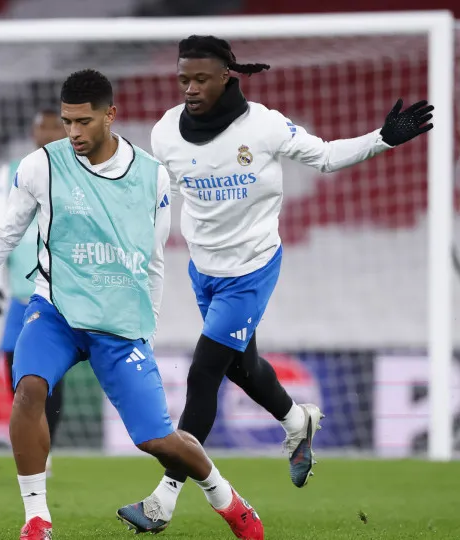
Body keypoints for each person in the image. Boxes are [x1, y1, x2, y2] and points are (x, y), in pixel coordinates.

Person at [0, 69, 263, 540]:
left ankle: (228, 499)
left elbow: (154, 259)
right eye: (67, 121)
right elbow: (5, 236)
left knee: (156, 439)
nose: (73, 132)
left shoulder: (152, 176)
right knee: (28, 389)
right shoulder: (40, 167)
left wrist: (148, 326)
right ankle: (36, 518)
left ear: (110, 115)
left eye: (83, 122)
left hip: (118, 323)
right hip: (54, 310)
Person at [132, 34, 434, 531]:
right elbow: (159, 196)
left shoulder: (264, 126)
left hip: (251, 269)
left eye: (201, 78)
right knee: (240, 366)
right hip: (203, 269)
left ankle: (164, 498)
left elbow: (326, 156)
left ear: (226, 75)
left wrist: (382, 138)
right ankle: (297, 420)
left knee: (204, 372)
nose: (190, 88)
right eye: (184, 79)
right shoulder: (165, 132)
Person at [0, 109, 67, 475]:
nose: (47, 134)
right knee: (13, 366)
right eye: (41, 127)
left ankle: (45, 448)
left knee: (51, 375)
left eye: (54, 127)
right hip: (21, 293)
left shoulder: (76, 171)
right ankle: (34, 440)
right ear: (33, 133)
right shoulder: (12, 171)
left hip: (60, 295)